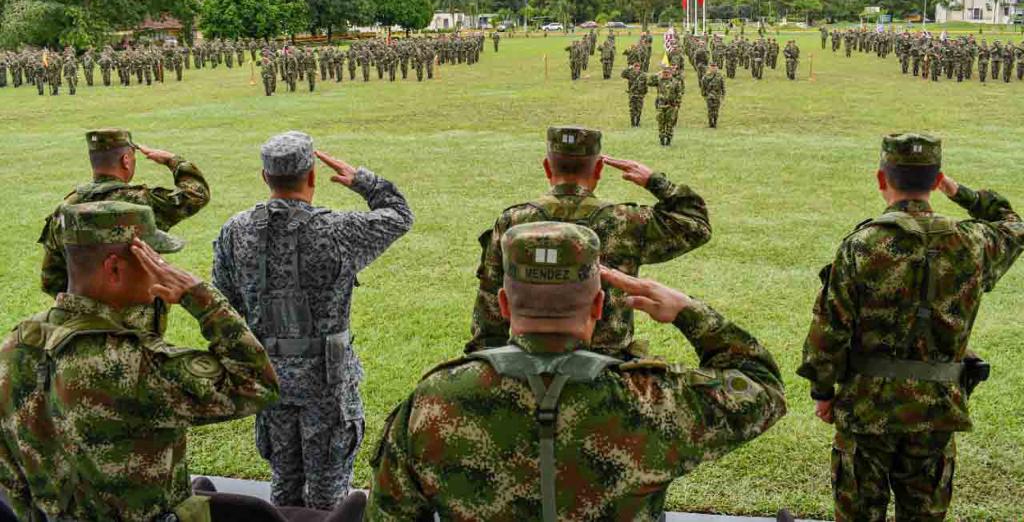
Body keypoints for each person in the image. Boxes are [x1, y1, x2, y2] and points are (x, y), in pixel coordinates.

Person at [366, 221, 786, 521]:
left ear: (505, 305)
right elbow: (762, 388)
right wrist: (688, 311)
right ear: (600, 307)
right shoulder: (654, 400)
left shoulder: (435, 399)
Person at [0, 201, 280, 522]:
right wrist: (201, 298)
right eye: (153, 259)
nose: (161, 267)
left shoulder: (15, 345)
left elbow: (9, 475)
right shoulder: (132, 363)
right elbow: (258, 383)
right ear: (114, 268)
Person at [797, 133, 1024, 522]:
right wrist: (959, 191)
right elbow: (1013, 223)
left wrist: (823, 390)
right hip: (937, 410)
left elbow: (829, 329)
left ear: (880, 179)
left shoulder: (861, 245)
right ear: (936, 182)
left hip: (866, 410)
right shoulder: (971, 242)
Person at [212, 131, 414, 510]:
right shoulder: (338, 231)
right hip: (327, 381)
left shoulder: (236, 231)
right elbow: (400, 215)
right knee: (328, 496)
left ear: (265, 177)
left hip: (270, 377)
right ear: (312, 177)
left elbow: (223, 297)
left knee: (284, 487)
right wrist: (364, 181)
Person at [467, 126, 711, 356]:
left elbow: (490, 298)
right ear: (598, 169)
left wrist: (487, 362)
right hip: (606, 367)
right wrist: (655, 181)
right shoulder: (625, 220)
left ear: (547, 167)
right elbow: (695, 224)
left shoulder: (513, 221)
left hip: (529, 362)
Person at [39, 128, 211, 297]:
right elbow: (196, 194)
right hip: (135, 315)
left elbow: (50, 278)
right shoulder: (141, 202)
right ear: (126, 160)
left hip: (81, 318)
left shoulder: (65, 209)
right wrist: (173, 161)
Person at [648, 66, 683, 146]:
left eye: (667, 73)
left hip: (671, 105)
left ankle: (668, 140)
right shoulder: (659, 81)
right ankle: (662, 139)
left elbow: (679, 94)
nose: (666, 74)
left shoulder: (675, 82)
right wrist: (657, 74)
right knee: (661, 123)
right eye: (664, 73)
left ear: (671, 73)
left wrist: (677, 104)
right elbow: (649, 82)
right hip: (661, 105)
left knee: (670, 123)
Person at [621, 62, 648, 127]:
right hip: (632, 94)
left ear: (640, 67)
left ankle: (637, 122)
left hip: (640, 95)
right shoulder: (630, 74)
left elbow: (645, 85)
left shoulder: (643, 75)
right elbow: (623, 75)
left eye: (638, 67)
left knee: (639, 109)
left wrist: (644, 93)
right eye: (635, 67)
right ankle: (633, 123)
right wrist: (628, 68)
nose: (636, 68)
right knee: (632, 109)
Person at [701, 63, 726, 128]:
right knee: (710, 110)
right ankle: (710, 122)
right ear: (709, 68)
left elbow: (722, 86)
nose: (713, 69)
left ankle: (715, 122)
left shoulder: (719, 76)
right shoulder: (706, 77)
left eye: (714, 67)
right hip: (709, 95)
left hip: (717, 95)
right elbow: (703, 87)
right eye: (712, 67)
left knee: (716, 110)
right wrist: (704, 95)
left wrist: (723, 94)